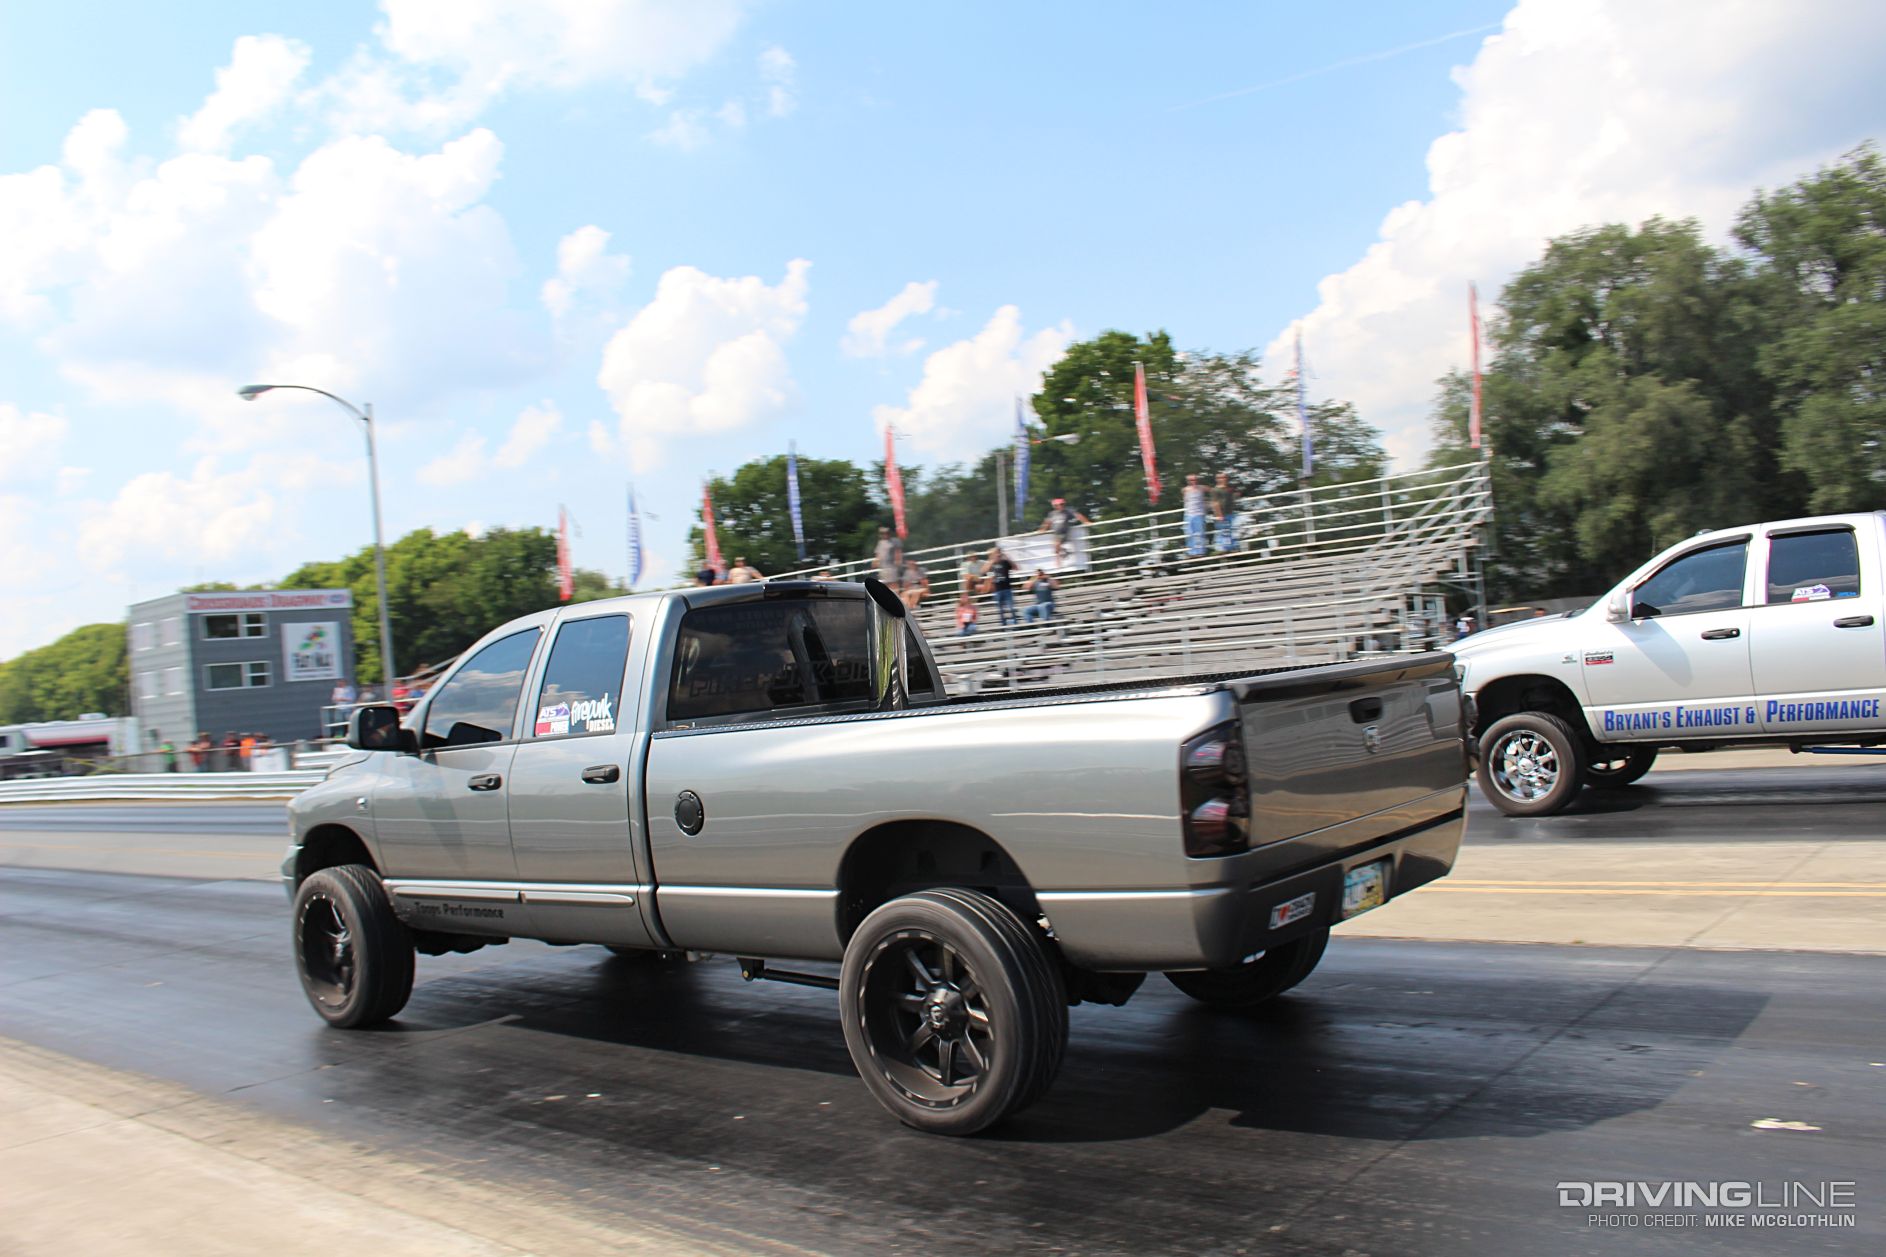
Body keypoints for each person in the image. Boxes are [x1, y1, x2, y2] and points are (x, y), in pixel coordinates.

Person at [1038, 498, 1092, 565]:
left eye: (1062, 504)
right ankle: (1060, 557)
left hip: (1063, 532)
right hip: (1056, 533)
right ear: (1054, 506)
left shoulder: (1068, 511)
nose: (1061, 506)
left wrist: (1086, 522)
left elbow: (1078, 515)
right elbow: (1047, 522)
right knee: (1055, 547)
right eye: (1058, 505)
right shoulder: (1052, 514)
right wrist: (1043, 529)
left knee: (1056, 544)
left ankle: (1058, 561)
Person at [980, 546, 1018, 627]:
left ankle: (1015, 625)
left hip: (1007, 588)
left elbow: (1016, 568)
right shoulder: (991, 563)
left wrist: (1007, 557)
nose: (997, 554)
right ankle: (1003, 626)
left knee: (1011, 608)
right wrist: (992, 560)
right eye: (996, 552)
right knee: (1001, 610)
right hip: (998, 590)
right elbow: (983, 571)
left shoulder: (1005, 562)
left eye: (998, 552)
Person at [1210, 472, 1238, 553]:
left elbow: (1236, 494)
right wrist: (1219, 515)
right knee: (1223, 532)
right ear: (1217, 479)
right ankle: (1222, 549)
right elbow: (1215, 503)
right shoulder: (1215, 490)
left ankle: (1231, 548)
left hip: (1230, 513)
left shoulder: (1229, 489)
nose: (1223, 479)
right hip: (1221, 514)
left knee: (1230, 531)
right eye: (1220, 478)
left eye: (1224, 477)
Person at [1182, 473, 1207, 557]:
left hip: (1199, 513)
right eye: (1191, 480)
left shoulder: (1201, 488)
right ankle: (1192, 552)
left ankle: (1200, 551)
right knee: (1190, 533)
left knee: (1200, 533)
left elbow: (1212, 491)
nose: (1194, 481)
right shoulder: (1185, 489)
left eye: (1195, 479)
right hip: (1189, 514)